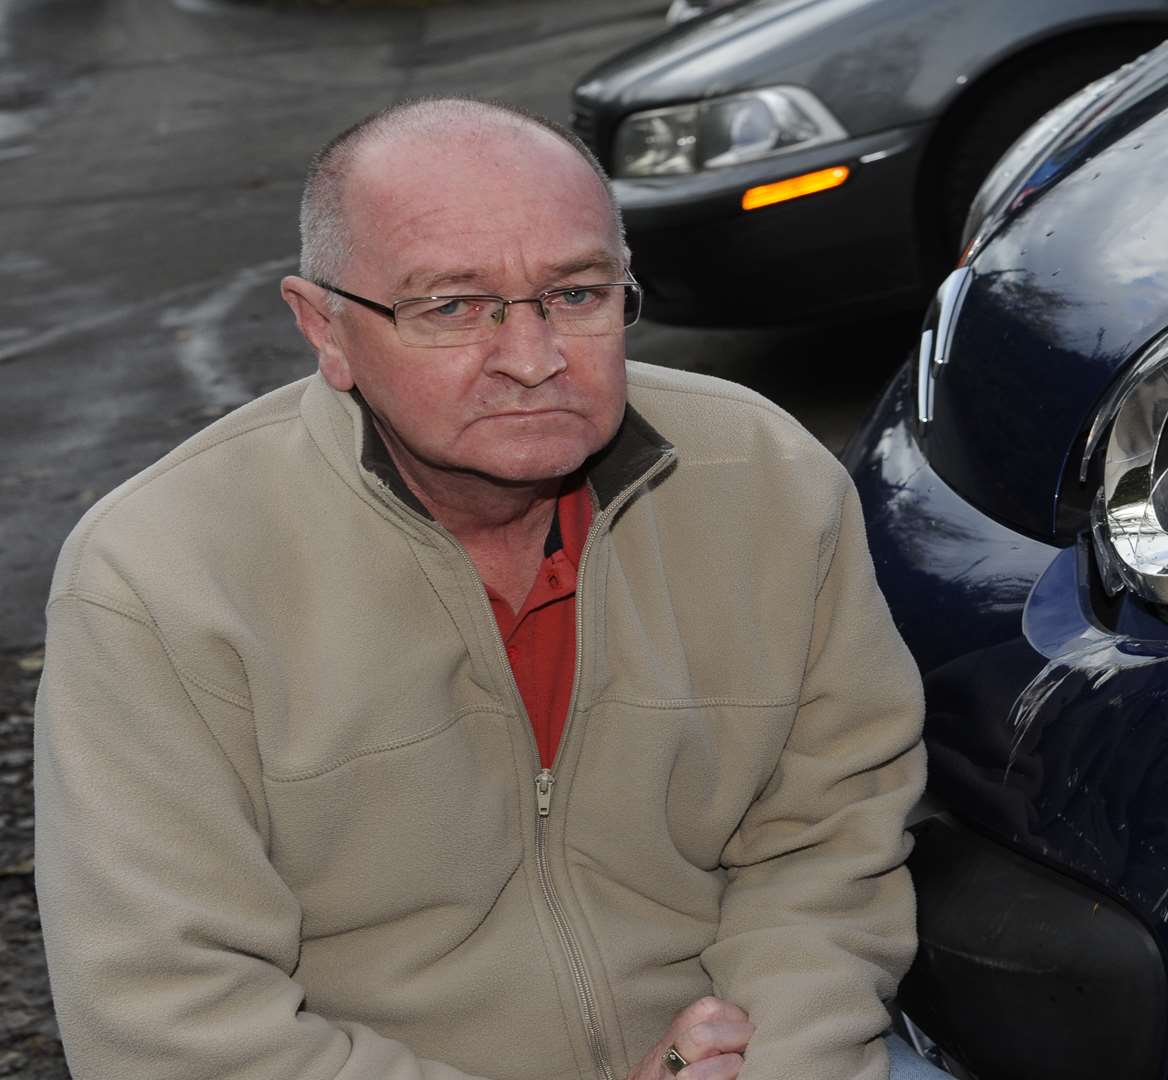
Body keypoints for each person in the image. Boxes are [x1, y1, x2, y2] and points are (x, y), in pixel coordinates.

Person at [33, 97, 944, 1080]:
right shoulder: (159, 580)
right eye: (453, 307)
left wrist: (779, 1058)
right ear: (324, 328)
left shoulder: (761, 477)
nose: (532, 358)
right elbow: (167, 1025)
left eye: (577, 294)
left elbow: (829, 847)